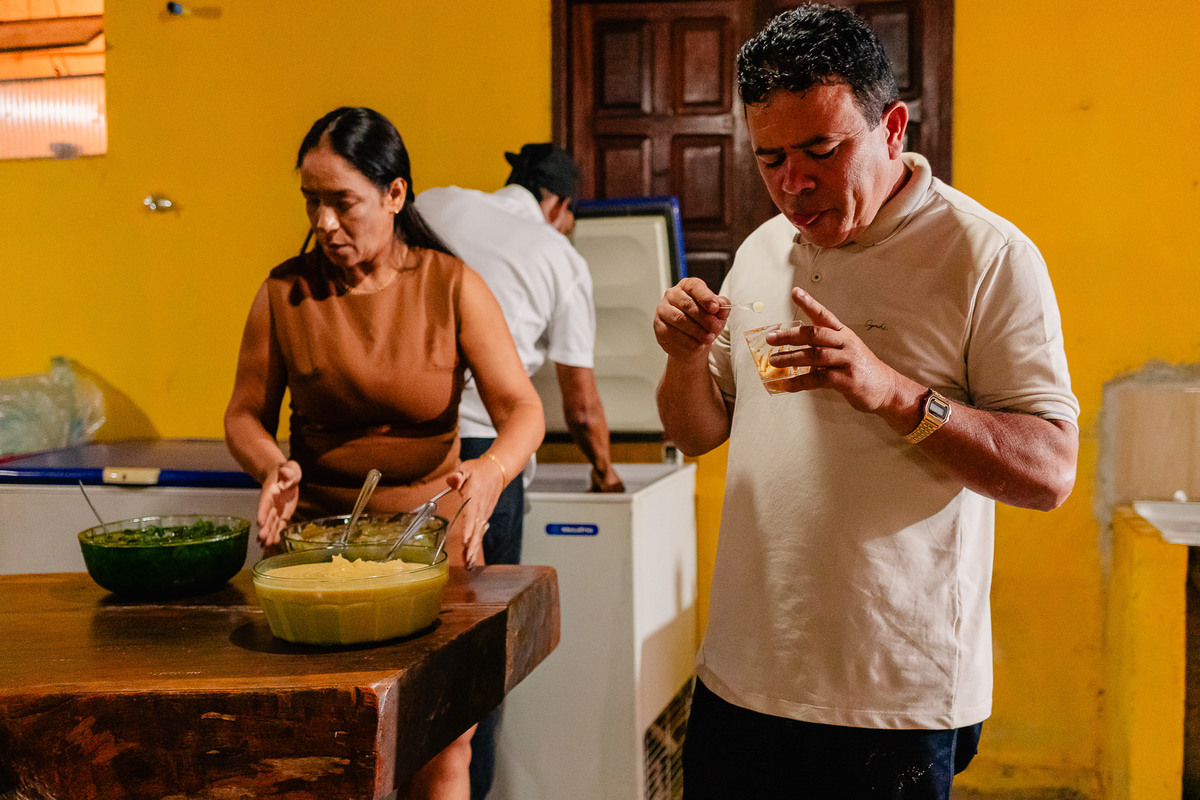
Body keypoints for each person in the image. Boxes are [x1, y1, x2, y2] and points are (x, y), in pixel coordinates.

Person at [652, 5, 1080, 799]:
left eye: (821, 149)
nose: (794, 183)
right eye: (770, 158)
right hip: (742, 677)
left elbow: (1050, 472)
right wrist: (683, 363)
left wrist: (895, 395)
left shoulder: (987, 257)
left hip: (894, 699)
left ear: (891, 127)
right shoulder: (759, 250)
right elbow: (697, 430)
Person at [223, 106, 544, 800]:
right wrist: (268, 464)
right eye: (311, 201)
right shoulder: (285, 291)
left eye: (343, 203)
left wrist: (491, 472)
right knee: (325, 752)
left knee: (442, 750)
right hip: (316, 561)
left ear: (394, 195)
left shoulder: (451, 284)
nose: (324, 223)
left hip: (432, 558)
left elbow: (523, 409)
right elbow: (245, 413)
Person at [415, 143, 625, 799]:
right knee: (476, 672)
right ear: (560, 205)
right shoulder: (561, 257)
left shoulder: (433, 202)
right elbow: (583, 405)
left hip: (401, 455)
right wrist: (608, 476)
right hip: (488, 470)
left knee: (402, 659)